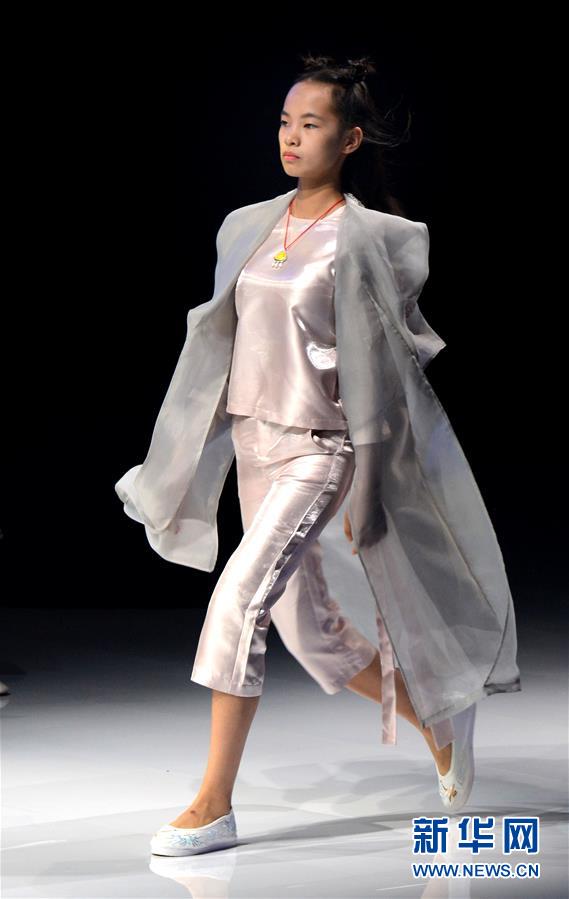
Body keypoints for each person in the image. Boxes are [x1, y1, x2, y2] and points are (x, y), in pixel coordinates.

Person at [116, 54, 520, 857]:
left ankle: (213, 803)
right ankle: (439, 721)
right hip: (255, 445)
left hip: (319, 447)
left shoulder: (361, 239)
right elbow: (219, 342)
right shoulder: (247, 225)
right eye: (283, 122)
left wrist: (367, 483)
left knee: (237, 602)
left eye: (311, 124)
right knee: (313, 632)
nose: (291, 137)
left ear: (349, 139)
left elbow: (375, 367)